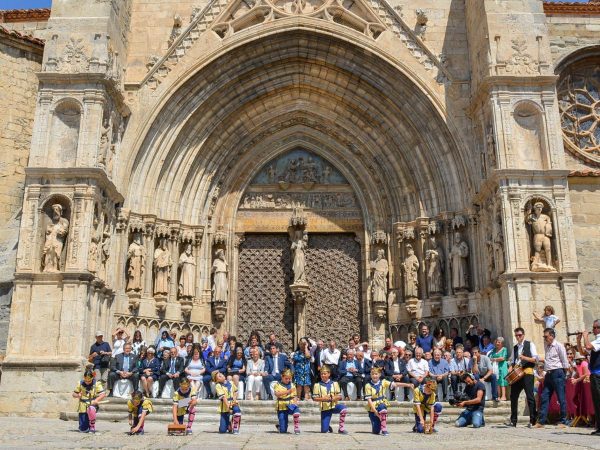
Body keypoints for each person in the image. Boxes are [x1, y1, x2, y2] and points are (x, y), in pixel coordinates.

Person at [535, 327, 570, 428]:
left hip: (558, 372)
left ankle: (563, 420)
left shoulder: (559, 346)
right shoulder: (547, 346)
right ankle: (541, 421)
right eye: (544, 336)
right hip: (549, 374)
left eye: (546, 336)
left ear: (552, 336)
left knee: (561, 397)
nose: (544, 338)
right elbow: (547, 360)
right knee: (544, 396)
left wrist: (565, 374)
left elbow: (564, 361)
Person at [506, 327, 537, 427]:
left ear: (523, 335)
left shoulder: (530, 344)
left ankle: (533, 420)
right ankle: (513, 420)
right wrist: (510, 368)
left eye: (520, 335)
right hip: (516, 374)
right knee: (513, 396)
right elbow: (512, 361)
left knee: (530, 396)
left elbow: (535, 359)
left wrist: (524, 358)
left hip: (527, 372)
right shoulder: (515, 347)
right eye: (516, 335)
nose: (518, 337)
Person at [576, 320, 600, 435]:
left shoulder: (599, 340)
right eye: (594, 327)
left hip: (598, 374)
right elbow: (582, 351)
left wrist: (585, 337)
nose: (594, 330)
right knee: (596, 401)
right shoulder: (596, 341)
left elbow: (588, 346)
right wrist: (578, 340)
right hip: (594, 375)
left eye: (596, 327)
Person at [312, 365, 348, 434]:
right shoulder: (317, 385)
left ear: (329, 374)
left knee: (343, 408)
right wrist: (323, 398)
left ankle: (341, 429)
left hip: (334, 405)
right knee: (324, 431)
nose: (323, 375)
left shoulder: (335, 384)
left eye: (325, 374)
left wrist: (334, 398)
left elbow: (340, 396)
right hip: (325, 408)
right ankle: (327, 426)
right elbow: (314, 398)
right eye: (321, 374)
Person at [73, 369, 106, 433]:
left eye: (89, 381)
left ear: (92, 378)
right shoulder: (80, 383)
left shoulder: (96, 383)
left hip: (92, 404)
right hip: (83, 405)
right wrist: (78, 395)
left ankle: (92, 425)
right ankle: (84, 427)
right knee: (83, 429)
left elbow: (103, 394)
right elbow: (74, 394)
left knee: (91, 409)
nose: (87, 382)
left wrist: (96, 400)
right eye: (86, 381)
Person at [364, 367, 392, 435]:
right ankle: (378, 424)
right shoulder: (368, 385)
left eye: (376, 374)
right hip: (373, 407)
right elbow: (369, 400)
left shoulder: (384, 382)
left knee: (382, 407)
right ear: (371, 375)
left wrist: (408, 385)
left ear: (379, 375)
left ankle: (384, 428)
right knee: (376, 431)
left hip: (381, 403)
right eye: (373, 374)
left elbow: (395, 384)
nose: (374, 376)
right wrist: (375, 411)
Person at [274, 369, 301, 434]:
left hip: (290, 404)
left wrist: (295, 402)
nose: (288, 380)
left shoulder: (292, 385)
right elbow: (277, 394)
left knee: (296, 410)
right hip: (281, 406)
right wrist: (287, 391)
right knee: (283, 431)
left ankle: (296, 426)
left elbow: (294, 396)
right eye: (286, 378)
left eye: (289, 379)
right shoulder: (277, 384)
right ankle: (281, 427)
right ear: (282, 377)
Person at [489, 337, 508, 401]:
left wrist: (495, 359)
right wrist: (494, 359)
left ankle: (504, 396)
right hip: (495, 366)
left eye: (499, 342)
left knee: (502, 380)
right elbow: (490, 357)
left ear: (502, 343)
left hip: (502, 366)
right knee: (497, 381)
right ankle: (498, 396)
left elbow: (503, 358)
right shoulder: (494, 350)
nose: (497, 343)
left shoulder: (504, 349)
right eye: (497, 342)